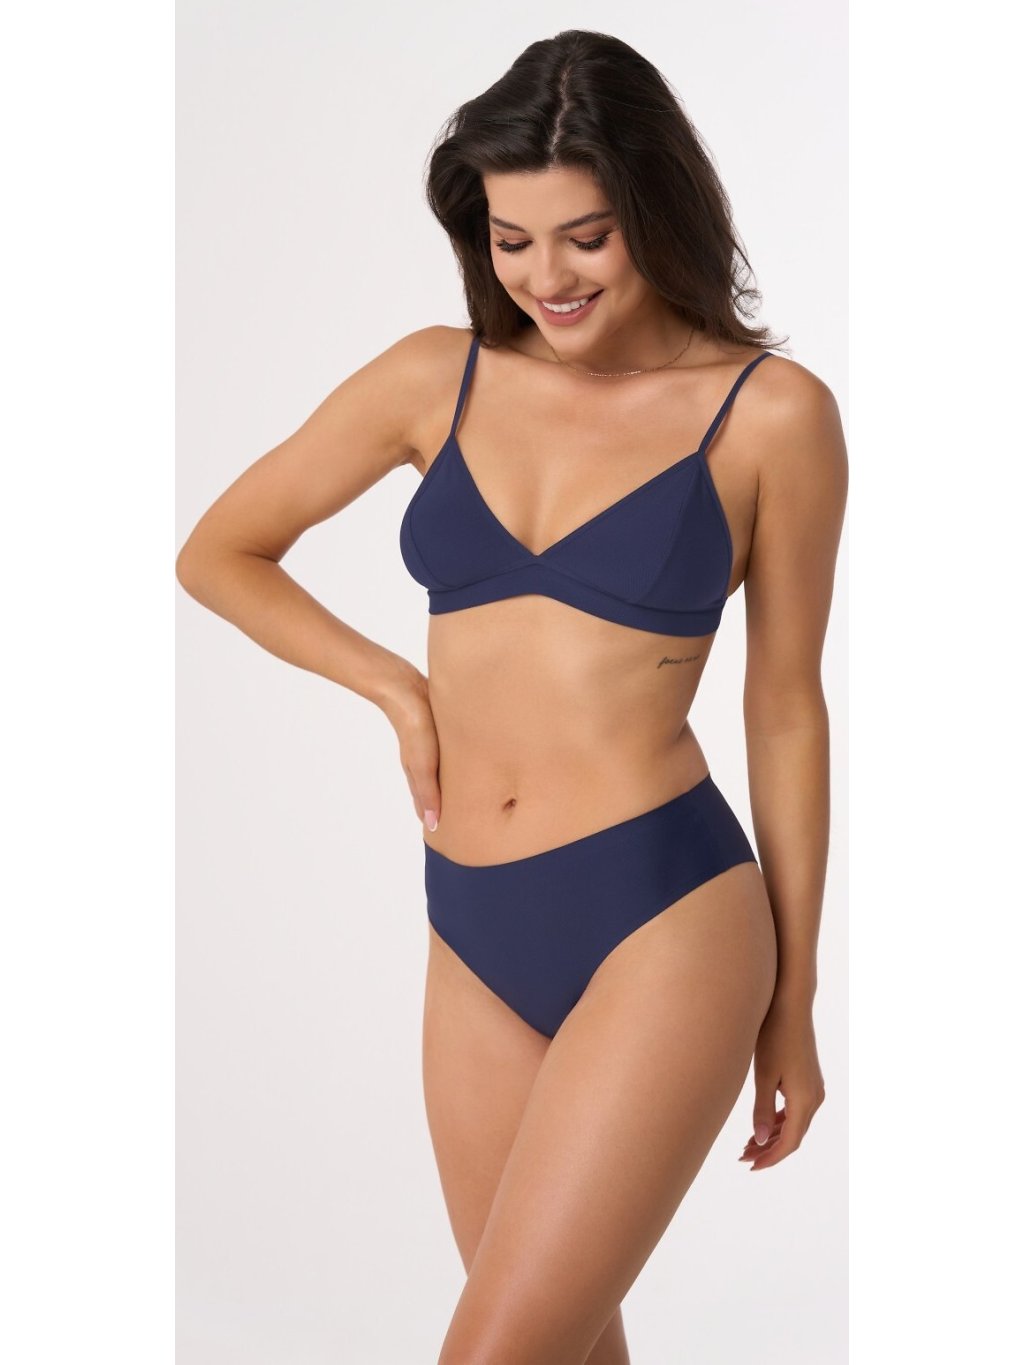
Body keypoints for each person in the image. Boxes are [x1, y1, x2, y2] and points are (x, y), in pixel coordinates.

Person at [176, 28, 847, 1365]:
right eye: (512, 241)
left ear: (656, 206)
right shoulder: (436, 377)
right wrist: (395, 687)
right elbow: (219, 552)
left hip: (665, 913)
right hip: (472, 925)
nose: (547, 277)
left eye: (587, 237)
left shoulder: (772, 415)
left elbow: (785, 706)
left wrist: (794, 997)